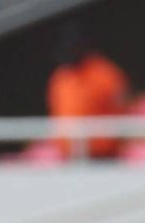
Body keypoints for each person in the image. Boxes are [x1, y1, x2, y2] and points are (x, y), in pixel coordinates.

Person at [47, 28, 131, 159]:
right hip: (68, 154)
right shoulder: (61, 76)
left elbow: (122, 110)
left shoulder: (105, 74)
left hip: (102, 155)